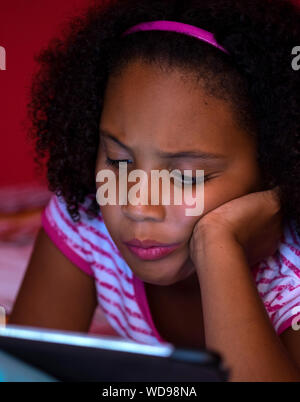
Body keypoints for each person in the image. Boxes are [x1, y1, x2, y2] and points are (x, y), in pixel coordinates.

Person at [9, 0, 300, 381]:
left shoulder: (290, 281)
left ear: (273, 167)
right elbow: (22, 372)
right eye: (118, 161)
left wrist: (218, 246)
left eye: (187, 177)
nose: (137, 204)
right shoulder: (88, 224)